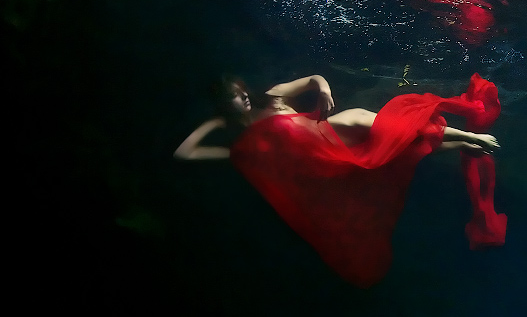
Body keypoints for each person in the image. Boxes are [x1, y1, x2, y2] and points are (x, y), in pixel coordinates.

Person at [176, 73, 507, 287]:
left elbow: (313, 80)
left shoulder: (273, 96)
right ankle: (463, 142)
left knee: (378, 124)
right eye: (234, 97)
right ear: (223, 104)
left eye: (242, 90)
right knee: (401, 153)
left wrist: (323, 89)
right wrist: (221, 132)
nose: (243, 97)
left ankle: (467, 135)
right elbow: (185, 153)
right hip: (324, 168)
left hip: (330, 135)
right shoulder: (240, 142)